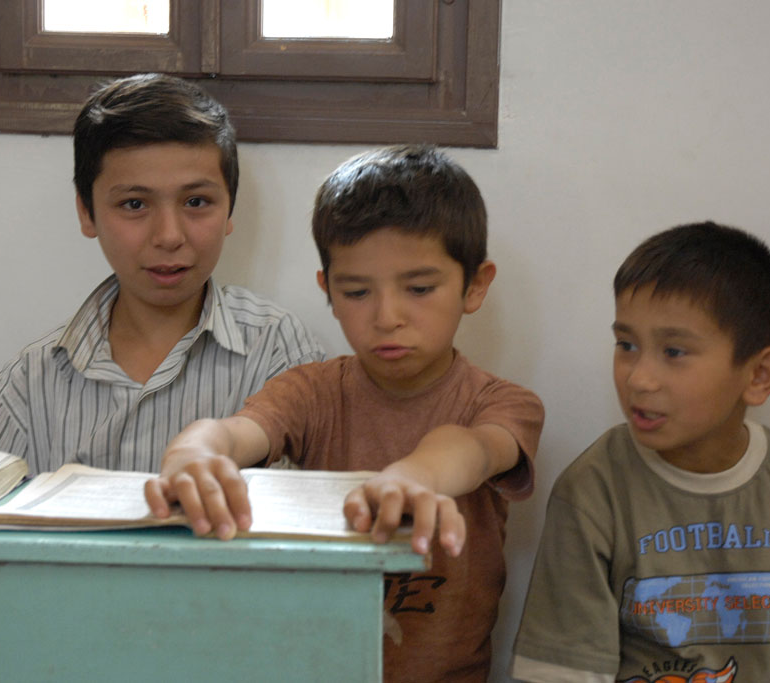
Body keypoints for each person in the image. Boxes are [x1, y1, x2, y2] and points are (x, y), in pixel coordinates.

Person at [145, 145, 545, 682]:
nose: (387, 316)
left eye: (419, 288)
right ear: (328, 292)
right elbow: (239, 433)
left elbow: (471, 449)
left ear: (474, 285)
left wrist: (415, 477)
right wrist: (195, 450)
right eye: (356, 291)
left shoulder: (503, 403)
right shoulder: (312, 393)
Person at [512, 222, 770, 682]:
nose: (638, 378)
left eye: (674, 351)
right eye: (626, 345)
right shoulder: (592, 488)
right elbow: (562, 673)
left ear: (759, 375)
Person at [0, 74, 324, 475]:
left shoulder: (277, 351)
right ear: (87, 213)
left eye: (196, 202)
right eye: (134, 204)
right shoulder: (35, 381)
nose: (169, 236)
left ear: (229, 208)